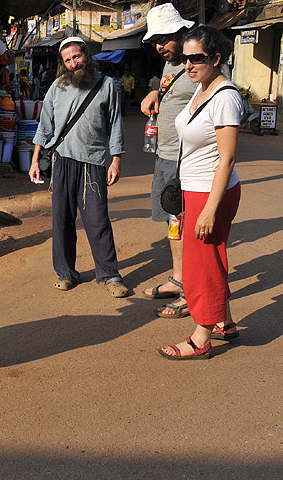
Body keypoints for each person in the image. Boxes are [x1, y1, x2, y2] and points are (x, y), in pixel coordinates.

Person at [159, 26, 242, 359]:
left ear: (216, 58)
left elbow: (228, 158)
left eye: (197, 58)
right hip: (194, 188)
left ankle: (201, 337)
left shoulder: (225, 97)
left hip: (210, 192)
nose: (189, 65)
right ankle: (226, 322)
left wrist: (209, 208)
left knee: (203, 265)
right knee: (211, 261)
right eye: (185, 57)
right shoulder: (201, 88)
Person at [28, 37, 128, 298]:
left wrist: (116, 159)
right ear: (63, 64)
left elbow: (116, 124)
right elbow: (44, 125)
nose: (74, 63)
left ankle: (109, 274)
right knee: (62, 220)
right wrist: (35, 160)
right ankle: (66, 272)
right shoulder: (57, 87)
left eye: (77, 57)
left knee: (98, 220)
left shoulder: (107, 86)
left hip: (92, 162)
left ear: (87, 55)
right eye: (68, 60)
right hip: (61, 160)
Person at [140, 3, 198, 319]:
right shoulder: (170, 65)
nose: (160, 46)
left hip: (186, 159)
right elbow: (170, 92)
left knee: (185, 223)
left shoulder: (198, 65)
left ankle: (191, 291)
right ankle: (178, 277)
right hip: (165, 155)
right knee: (171, 219)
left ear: (181, 32)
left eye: (165, 39)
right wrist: (154, 94)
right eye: (155, 42)